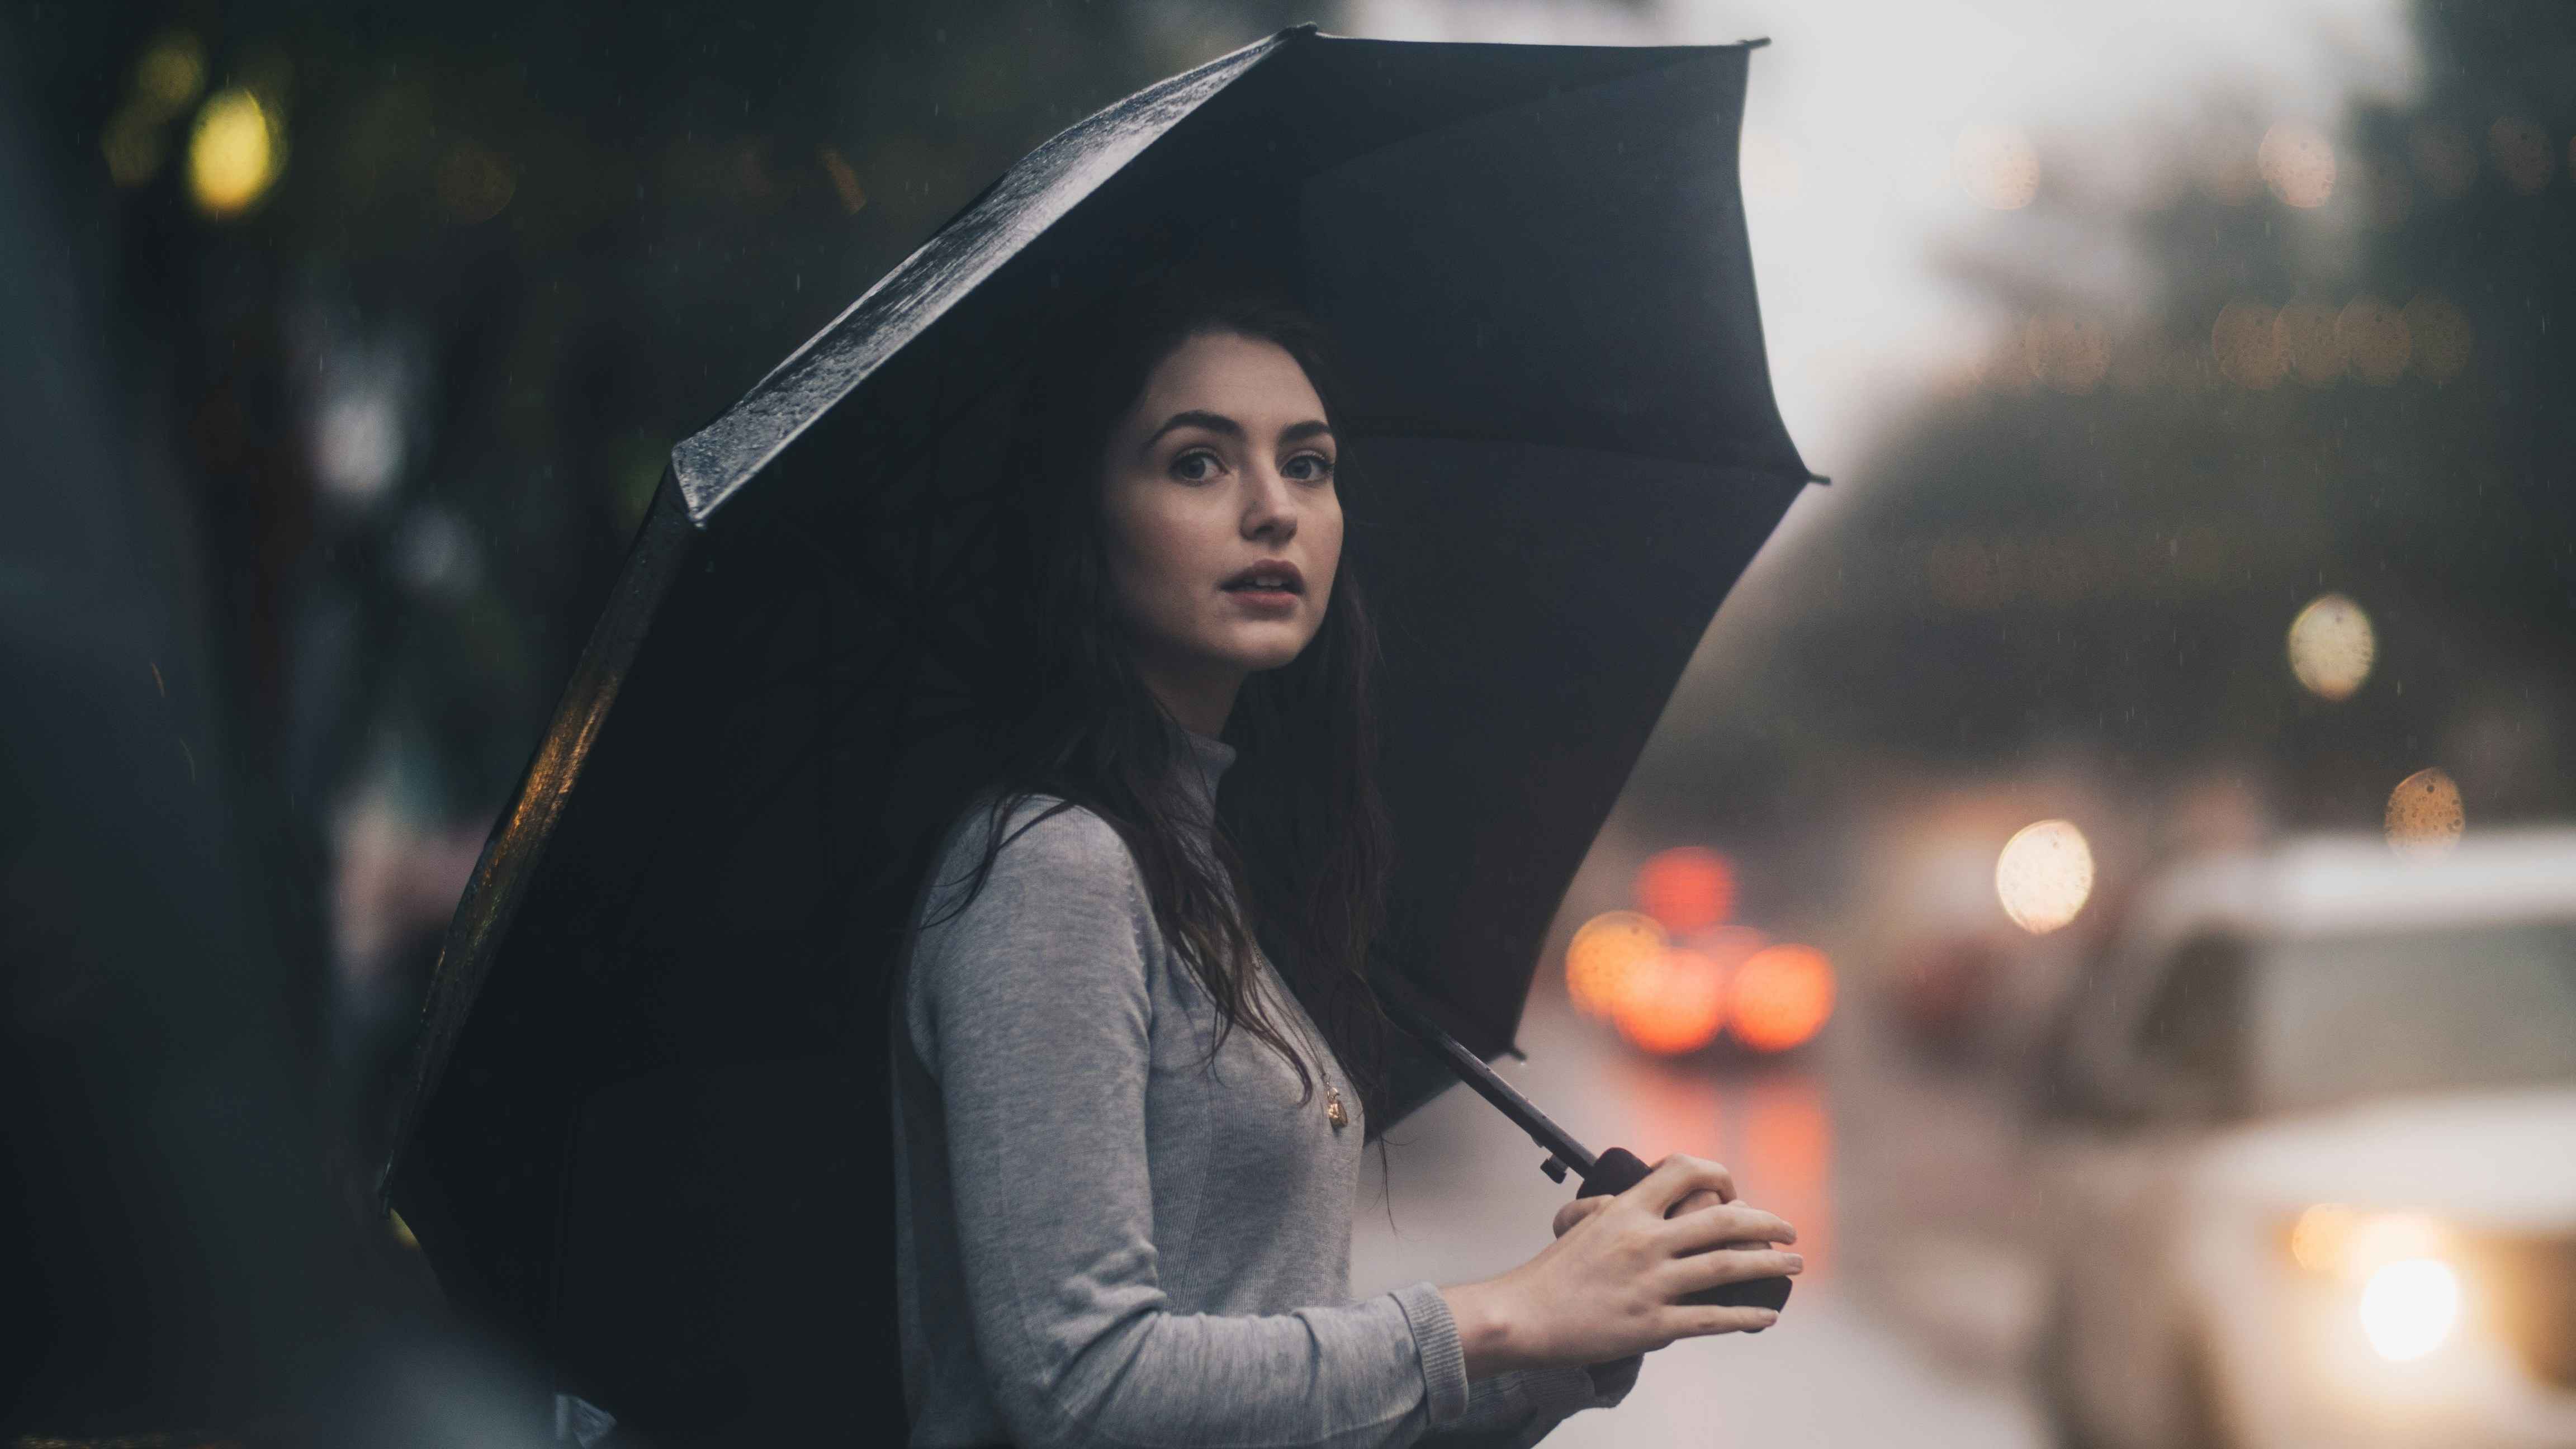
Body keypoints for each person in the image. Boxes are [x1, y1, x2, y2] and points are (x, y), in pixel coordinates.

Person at [888, 279, 1801, 1449]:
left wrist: (1584, 1332)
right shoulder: (1054, 871)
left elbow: (1292, 1409)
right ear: (1083, 515)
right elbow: (1086, 1390)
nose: (1274, 510)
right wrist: (1505, 1316)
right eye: (1198, 464)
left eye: (1309, 464)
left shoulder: (1210, 868)